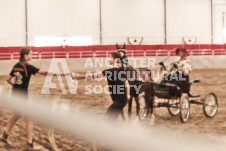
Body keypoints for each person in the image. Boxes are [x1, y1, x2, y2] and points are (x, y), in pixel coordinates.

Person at [0, 48, 68, 149]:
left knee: (17, 114)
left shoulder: (16, 65)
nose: (32, 56)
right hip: (22, 96)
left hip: (15, 95)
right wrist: (61, 73)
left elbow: (8, 79)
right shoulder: (28, 67)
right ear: (25, 56)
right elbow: (45, 72)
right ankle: (30, 143)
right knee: (29, 118)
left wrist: (15, 86)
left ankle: (5, 135)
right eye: (30, 54)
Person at [73, 52, 130, 122]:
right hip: (122, 100)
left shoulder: (111, 71)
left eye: (110, 58)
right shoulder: (121, 70)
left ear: (114, 60)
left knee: (107, 119)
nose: (109, 59)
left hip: (120, 101)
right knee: (111, 119)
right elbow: (126, 83)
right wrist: (127, 94)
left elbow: (94, 76)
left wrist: (79, 76)